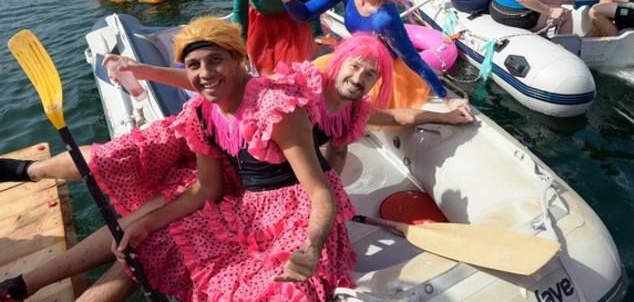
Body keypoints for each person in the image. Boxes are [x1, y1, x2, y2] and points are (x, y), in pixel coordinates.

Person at [0, 27, 473, 301]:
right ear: (337, 62)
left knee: (142, 237)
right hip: (230, 173)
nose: (359, 77)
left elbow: (397, 117)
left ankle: (20, 283)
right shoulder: (292, 90)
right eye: (354, 66)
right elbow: (211, 82)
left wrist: (442, 112)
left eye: (369, 74)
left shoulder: (353, 112)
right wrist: (141, 70)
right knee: (132, 197)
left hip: (261, 193)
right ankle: (23, 186)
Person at [270, 0, 472, 114]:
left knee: (348, 111)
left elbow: (412, 59)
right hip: (352, 60)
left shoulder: (385, 17)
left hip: (376, 73)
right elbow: (304, 14)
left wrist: (446, 99)